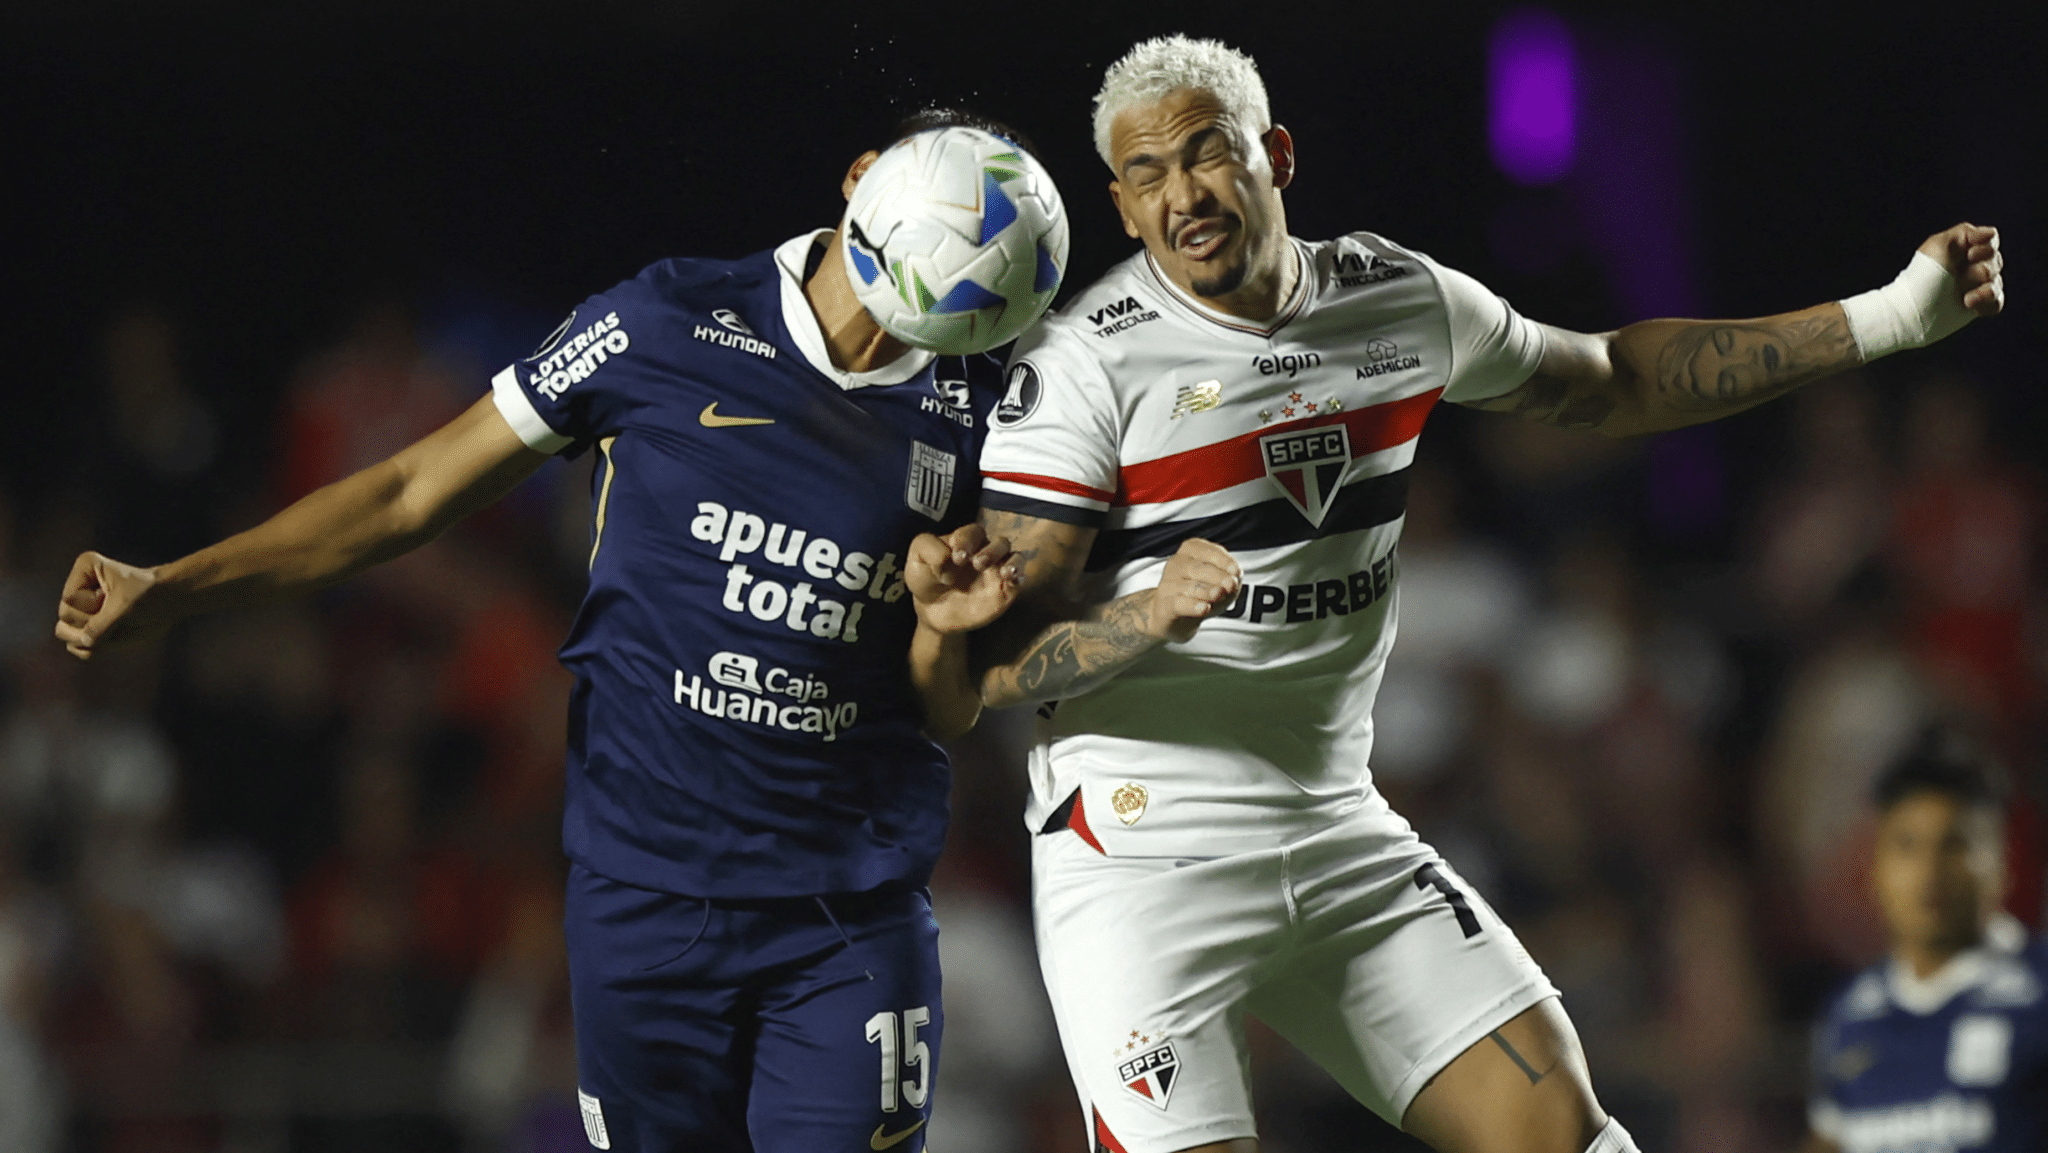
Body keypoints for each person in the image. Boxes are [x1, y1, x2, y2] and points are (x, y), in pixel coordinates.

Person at [966, 34, 2007, 1153]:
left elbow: (1614, 379)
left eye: (1206, 154)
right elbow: (994, 657)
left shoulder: (1391, 300)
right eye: (1146, 175)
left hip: (1333, 826)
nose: (1183, 195)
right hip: (1137, 859)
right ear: (1122, 207)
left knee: (1567, 1134)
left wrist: (1893, 316)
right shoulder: (1080, 371)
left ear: (1276, 154)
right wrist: (1146, 612)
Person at [54, 109, 1035, 1153]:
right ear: (862, 176)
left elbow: (948, 707)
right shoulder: (666, 321)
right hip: (644, 900)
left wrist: (943, 631)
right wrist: (177, 586)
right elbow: (408, 491)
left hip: (848, 911)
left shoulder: (985, 412)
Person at [1804, 735, 2046, 1153]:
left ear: (2002, 861)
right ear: (1876, 868)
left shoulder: (2038, 990)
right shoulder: (1850, 1015)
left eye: (1954, 845)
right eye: (1907, 846)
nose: (1929, 872)